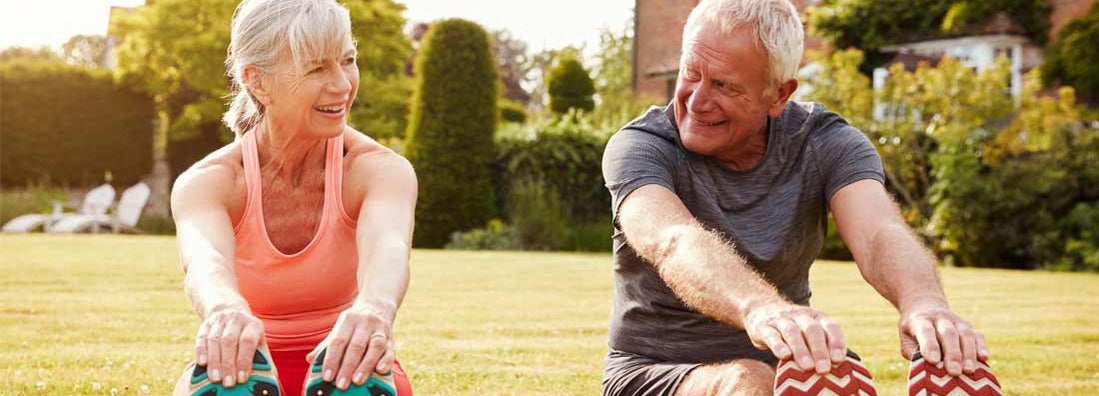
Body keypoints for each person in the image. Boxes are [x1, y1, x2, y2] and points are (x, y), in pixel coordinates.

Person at [600, 0, 997, 394]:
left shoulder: (826, 142)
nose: (698, 101)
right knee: (750, 382)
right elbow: (673, 241)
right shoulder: (641, 147)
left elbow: (879, 230)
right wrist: (761, 309)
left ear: (778, 94)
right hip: (655, 371)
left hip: (792, 366)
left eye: (724, 85)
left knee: (806, 374)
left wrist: (924, 303)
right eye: (691, 73)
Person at [169, 0, 416, 394]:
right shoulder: (210, 182)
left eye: (347, 60)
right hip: (248, 363)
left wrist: (374, 309)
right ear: (258, 82)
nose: (342, 84)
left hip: (344, 363)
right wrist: (224, 311)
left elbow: (389, 247)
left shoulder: (377, 171)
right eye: (318, 68)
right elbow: (204, 262)